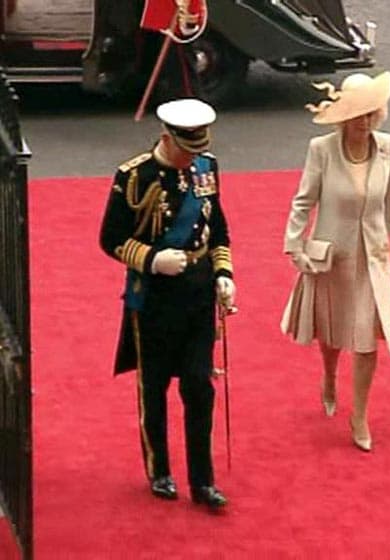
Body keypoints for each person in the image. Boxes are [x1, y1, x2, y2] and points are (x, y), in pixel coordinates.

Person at [99, 98, 234, 508]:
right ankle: (159, 469)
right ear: (166, 138)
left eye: (197, 151)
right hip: (154, 299)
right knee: (154, 388)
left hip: (197, 293)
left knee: (198, 386)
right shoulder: (133, 177)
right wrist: (152, 259)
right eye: (185, 150)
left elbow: (218, 230)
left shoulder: (206, 169)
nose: (191, 160)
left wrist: (224, 275)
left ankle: (202, 481)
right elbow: (111, 238)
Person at [281, 71, 390, 452]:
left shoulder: (387, 146)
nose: (364, 122)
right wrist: (295, 245)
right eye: (357, 115)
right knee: (332, 331)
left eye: (371, 113)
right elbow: (303, 200)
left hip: (371, 258)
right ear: (342, 117)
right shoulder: (322, 148)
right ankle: (328, 375)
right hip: (332, 257)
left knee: (366, 339)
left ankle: (360, 414)